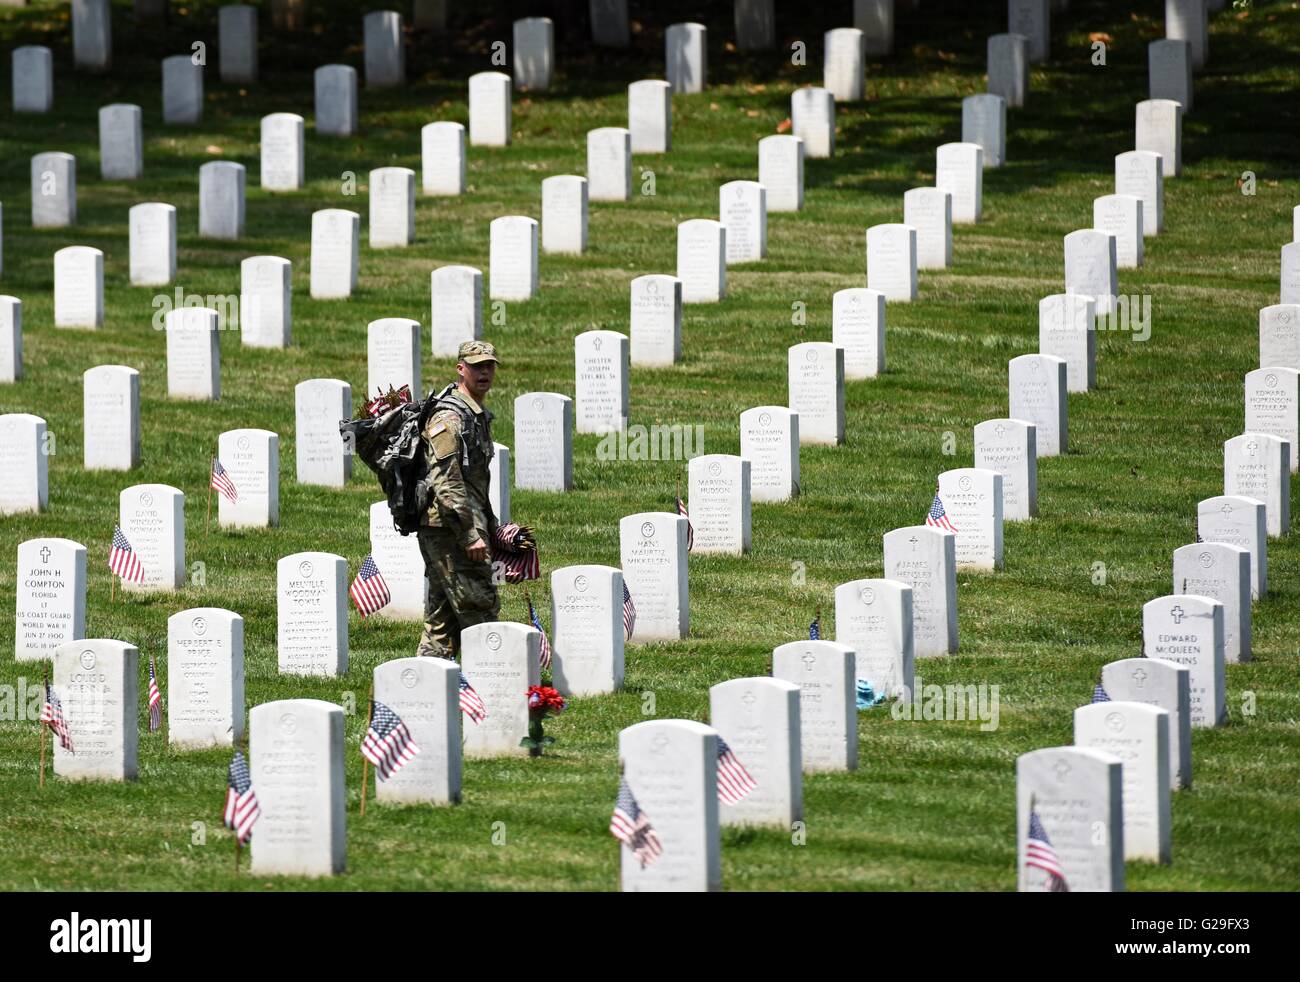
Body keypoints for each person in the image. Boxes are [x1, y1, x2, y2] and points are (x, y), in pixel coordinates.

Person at [416, 340, 501, 660]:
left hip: (459, 526)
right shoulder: (450, 417)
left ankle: (423, 688)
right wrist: (470, 534)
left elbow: (476, 481)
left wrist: (492, 526)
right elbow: (446, 481)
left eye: (489, 365)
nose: (484, 372)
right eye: (477, 366)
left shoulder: (476, 414)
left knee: (443, 621)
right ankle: (495, 679)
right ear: (460, 368)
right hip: (451, 529)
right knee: (479, 608)